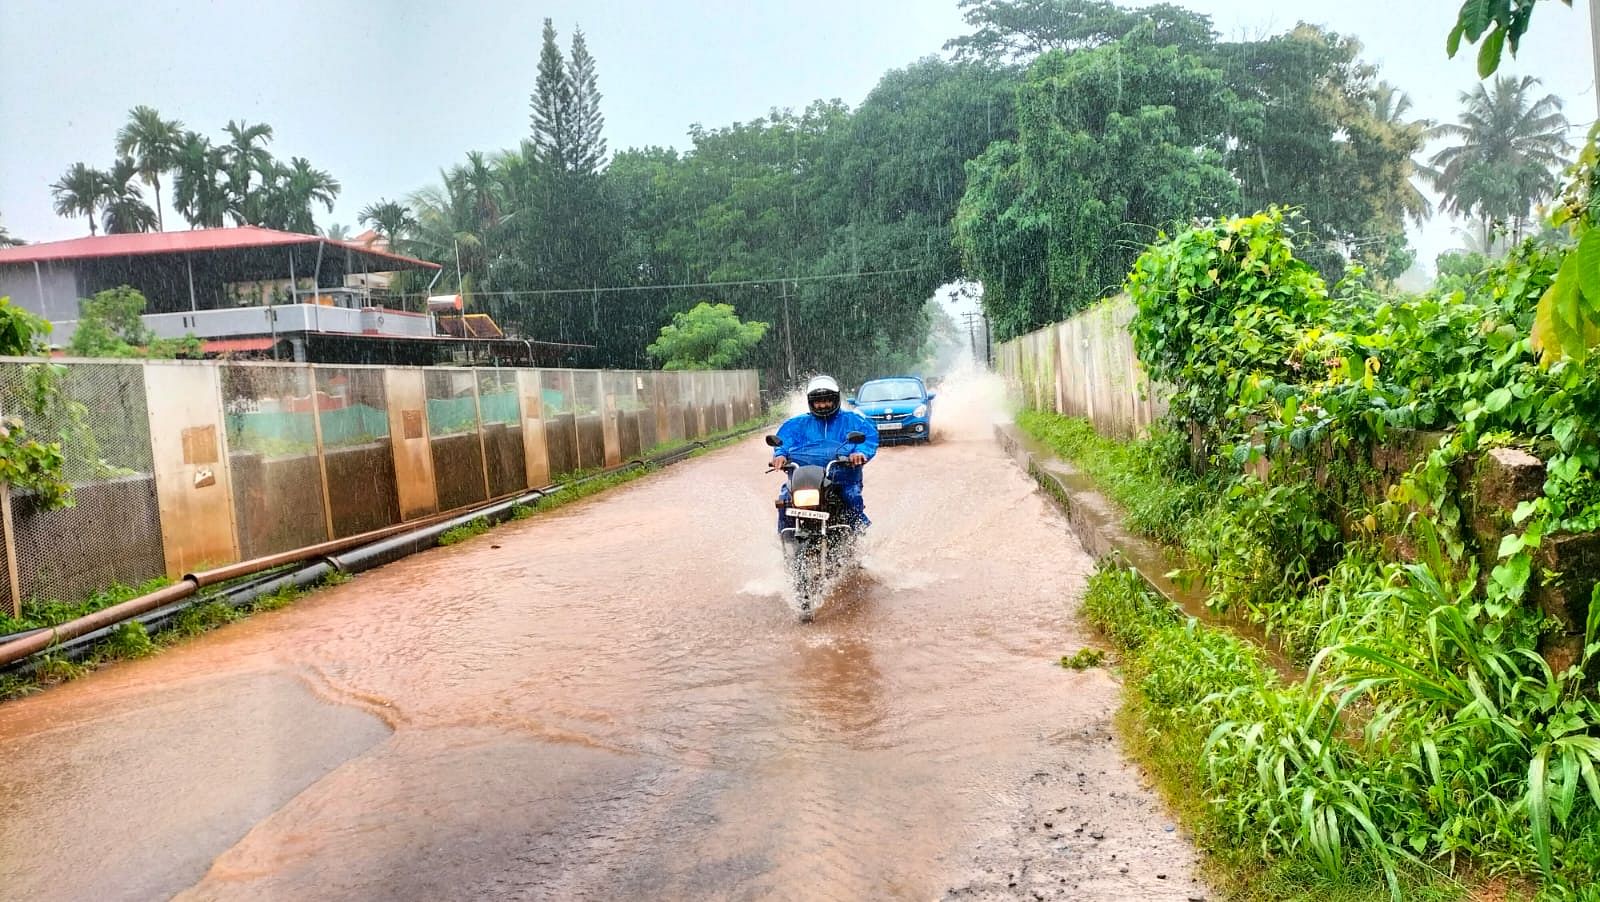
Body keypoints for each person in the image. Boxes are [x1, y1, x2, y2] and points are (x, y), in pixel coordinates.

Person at [770, 374, 879, 531]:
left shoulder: (853, 420)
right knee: (785, 500)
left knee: (852, 497)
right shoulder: (797, 424)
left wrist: (859, 453)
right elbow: (784, 442)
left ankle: (859, 536)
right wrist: (780, 454)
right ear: (811, 402)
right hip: (806, 480)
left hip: (843, 478)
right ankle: (787, 541)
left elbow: (867, 439)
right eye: (818, 401)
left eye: (827, 400)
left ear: (835, 399)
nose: (822, 405)